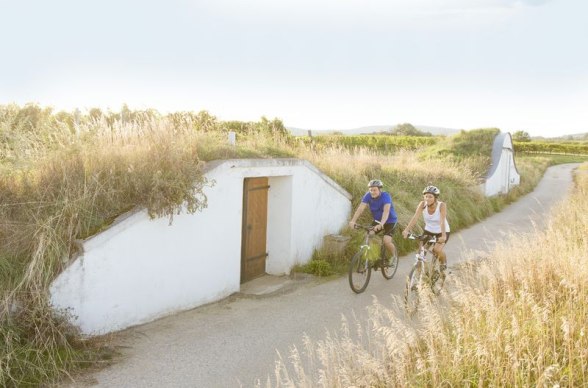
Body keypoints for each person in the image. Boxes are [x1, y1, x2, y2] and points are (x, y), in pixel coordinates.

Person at [402, 185, 450, 271]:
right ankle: (420, 274)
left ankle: (443, 264)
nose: (427, 199)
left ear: (435, 198)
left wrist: (443, 236)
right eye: (426, 196)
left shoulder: (442, 205)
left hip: (442, 231)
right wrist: (406, 230)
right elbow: (415, 218)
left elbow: (442, 221)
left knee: (436, 250)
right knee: (421, 252)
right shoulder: (422, 204)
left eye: (430, 197)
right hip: (429, 230)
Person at [348, 179, 398, 260]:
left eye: (374, 190)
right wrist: (353, 221)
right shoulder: (368, 195)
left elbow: (386, 211)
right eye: (371, 190)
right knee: (369, 235)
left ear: (380, 190)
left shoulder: (386, 196)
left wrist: (381, 224)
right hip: (377, 220)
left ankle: (394, 256)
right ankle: (377, 256)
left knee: (386, 241)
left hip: (390, 221)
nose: (372, 192)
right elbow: (360, 209)